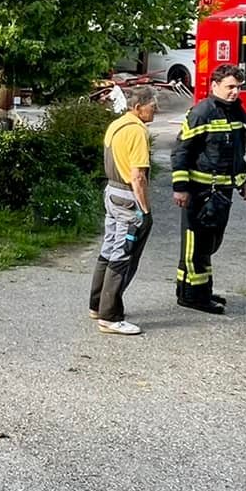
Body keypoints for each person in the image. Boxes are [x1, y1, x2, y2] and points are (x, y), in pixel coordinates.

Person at [171, 63, 246, 314]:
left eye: (238, 87)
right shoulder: (202, 112)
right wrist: (181, 187)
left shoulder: (236, 112)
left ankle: (198, 290)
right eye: (229, 87)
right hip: (200, 191)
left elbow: (237, 152)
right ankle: (193, 296)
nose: (234, 92)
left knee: (210, 243)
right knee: (196, 244)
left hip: (222, 192)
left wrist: (244, 179)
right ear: (214, 86)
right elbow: (182, 151)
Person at [90, 86, 157, 335]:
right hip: (128, 197)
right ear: (138, 107)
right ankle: (110, 316)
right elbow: (138, 176)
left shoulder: (116, 126)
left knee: (108, 249)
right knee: (123, 253)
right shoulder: (138, 132)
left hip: (111, 192)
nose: (156, 109)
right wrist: (146, 210)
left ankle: (96, 305)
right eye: (152, 105)